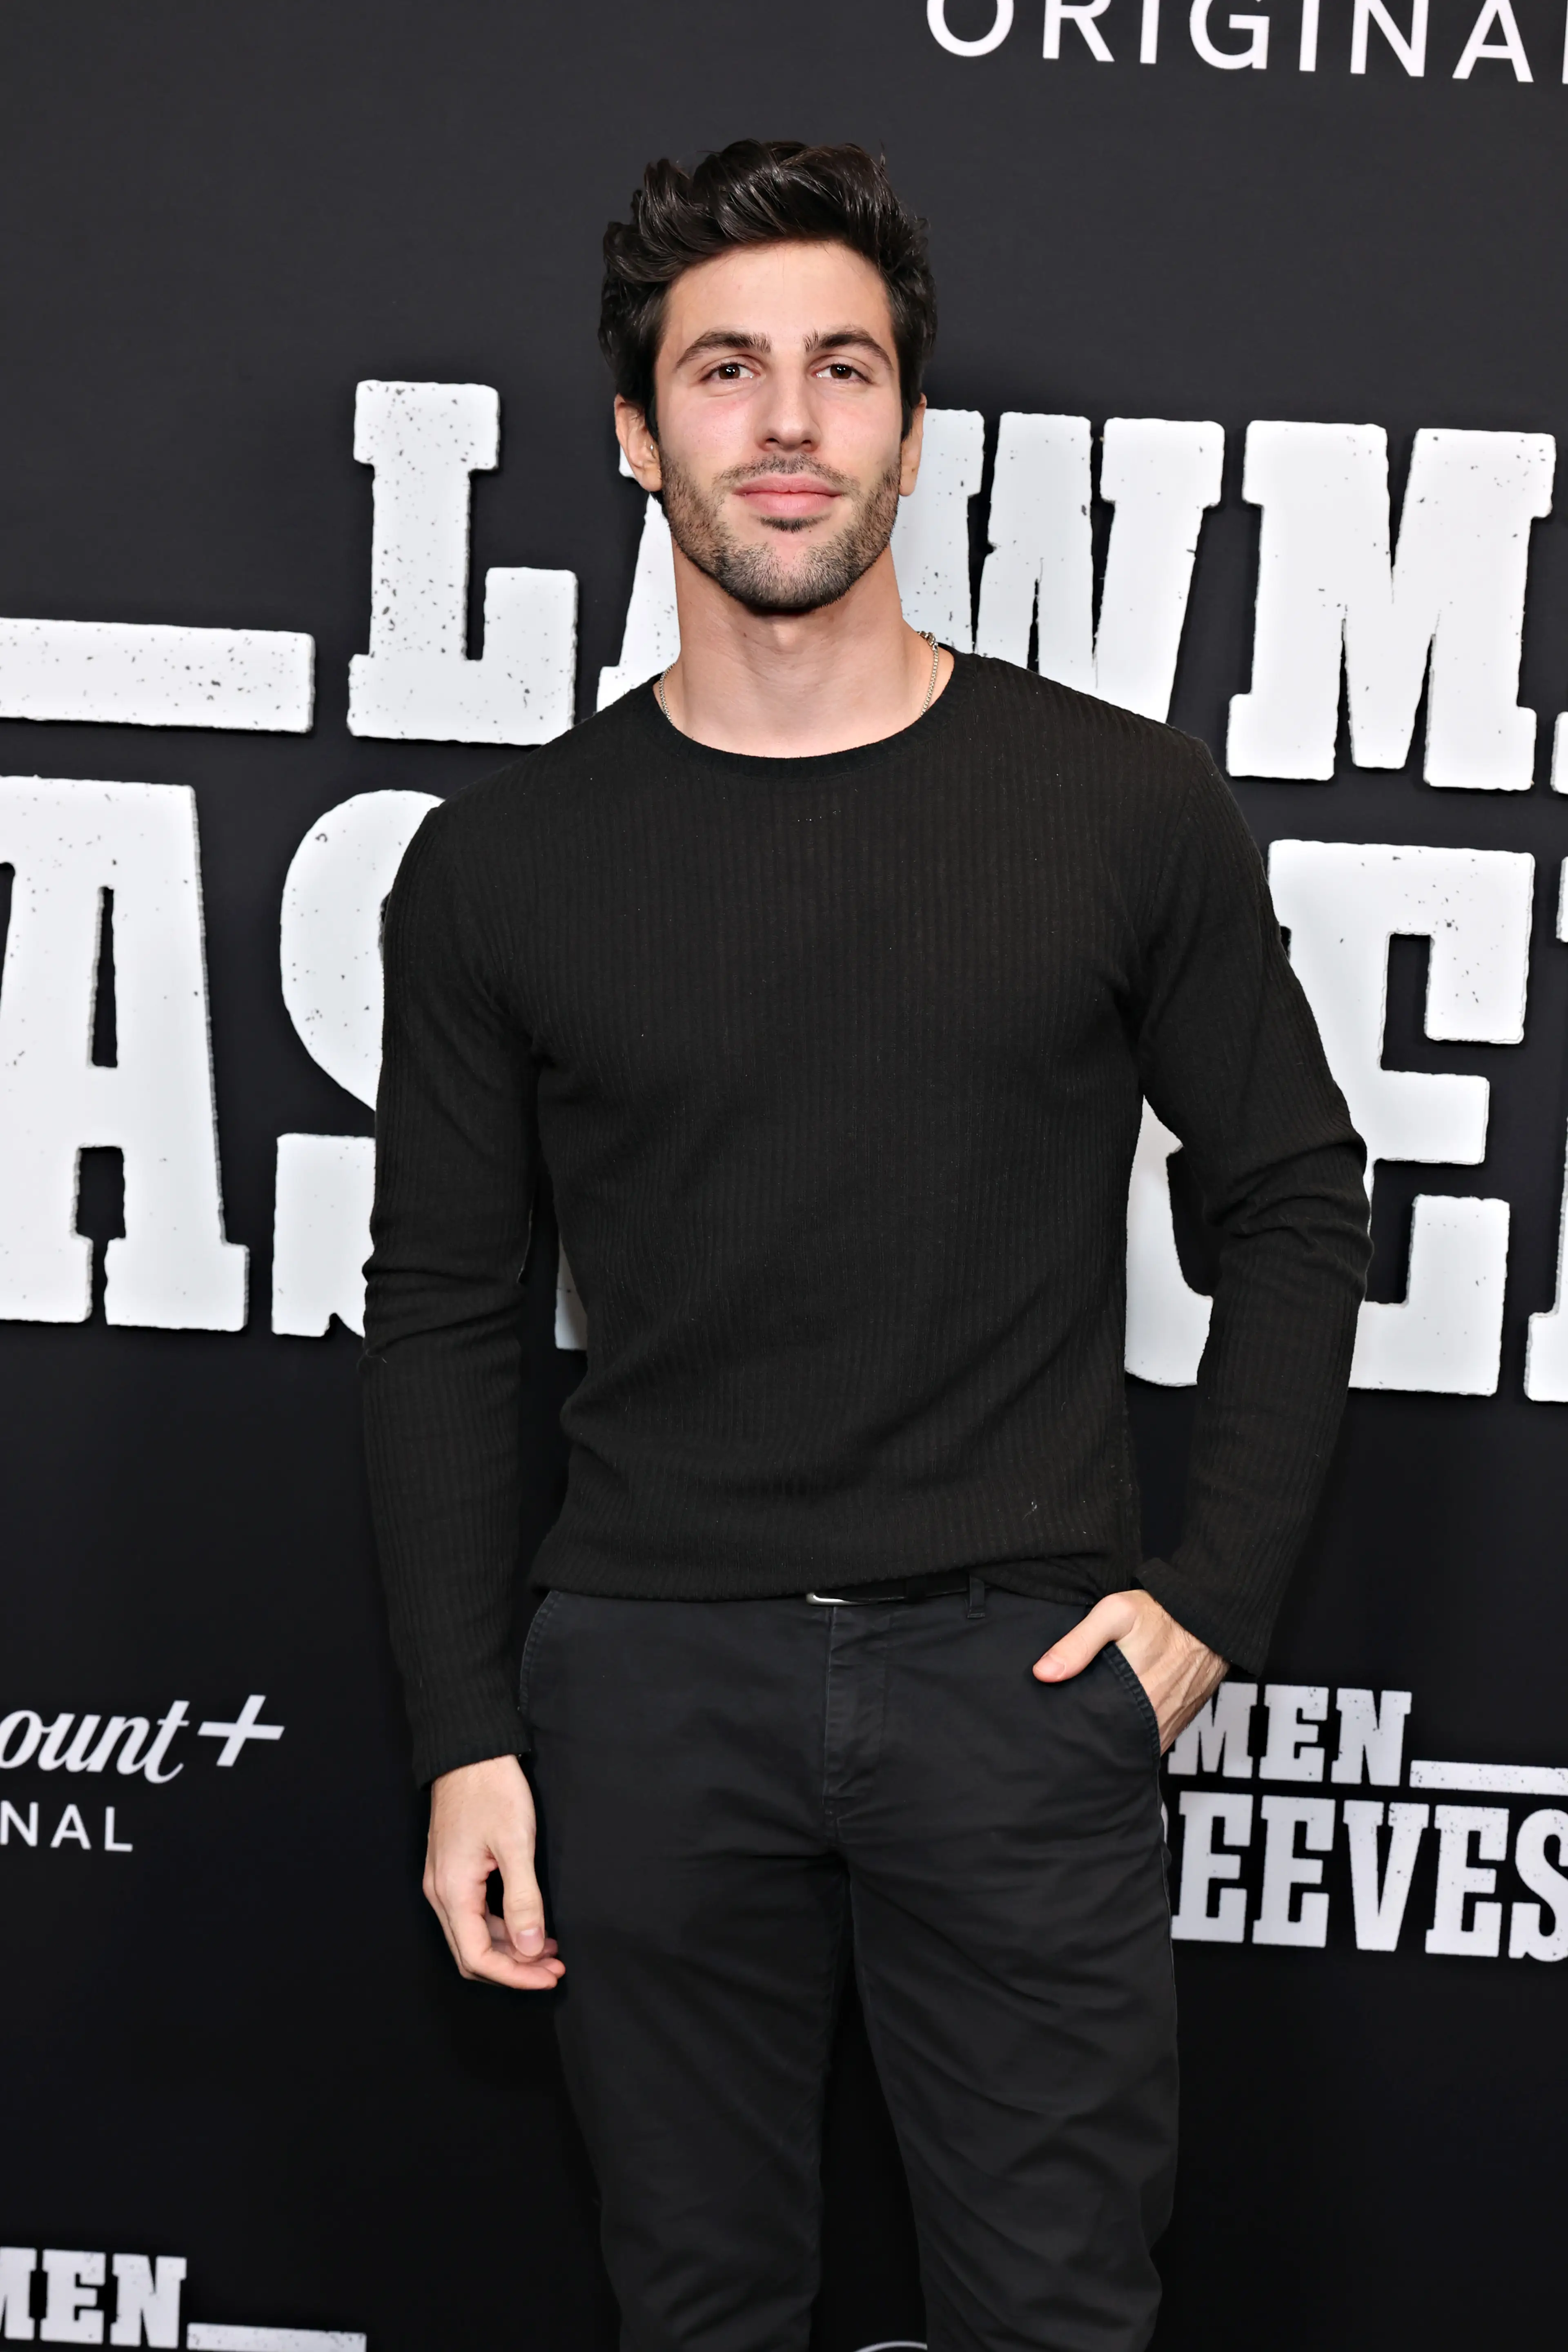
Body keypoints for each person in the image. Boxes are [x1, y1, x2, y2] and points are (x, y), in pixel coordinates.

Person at [362, 139, 1370, 2352]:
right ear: (638, 434)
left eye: (845, 367)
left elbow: (1297, 1198)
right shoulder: (500, 868)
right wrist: (465, 1735)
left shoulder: (1121, 813)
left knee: (1054, 2315)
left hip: (1018, 1688)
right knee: (698, 2306)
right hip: (641, 1686)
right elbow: (440, 1318)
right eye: (725, 370)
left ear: (914, 427)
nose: (790, 422)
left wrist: (1210, 1603)